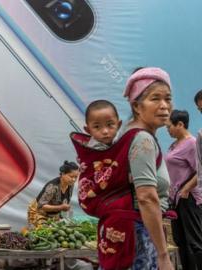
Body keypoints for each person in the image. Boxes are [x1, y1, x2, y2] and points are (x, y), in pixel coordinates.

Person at [71, 67, 173, 270]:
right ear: (136, 106)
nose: (164, 106)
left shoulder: (128, 133)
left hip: (126, 230)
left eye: (168, 98)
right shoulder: (142, 140)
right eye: (155, 99)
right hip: (136, 234)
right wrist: (163, 255)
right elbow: (146, 197)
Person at [165, 109, 202, 269]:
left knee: (194, 241)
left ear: (180, 124)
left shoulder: (192, 144)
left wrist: (186, 188)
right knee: (180, 240)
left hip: (189, 198)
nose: (167, 130)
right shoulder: (174, 145)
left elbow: (200, 169)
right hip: (176, 199)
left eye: (169, 127)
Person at [27, 160, 79, 228]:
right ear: (63, 174)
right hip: (38, 212)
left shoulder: (70, 185)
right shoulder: (53, 187)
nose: (74, 180)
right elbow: (41, 206)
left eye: (76, 177)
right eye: (71, 176)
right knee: (45, 232)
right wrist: (61, 207)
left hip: (54, 215)